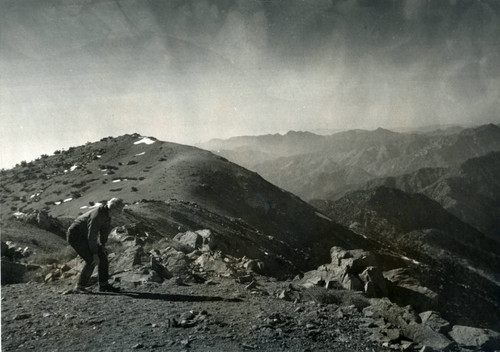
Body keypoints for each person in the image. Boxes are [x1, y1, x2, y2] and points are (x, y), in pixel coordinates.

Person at [67, 198, 124, 292]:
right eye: (119, 210)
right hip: (75, 236)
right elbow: (92, 237)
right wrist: (94, 253)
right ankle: (79, 287)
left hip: (85, 235)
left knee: (103, 258)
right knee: (92, 260)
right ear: (113, 208)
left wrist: (102, 246)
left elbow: (104, 232)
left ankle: (103, 285)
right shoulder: (97, 216)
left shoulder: (107, 214)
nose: (120, 213)